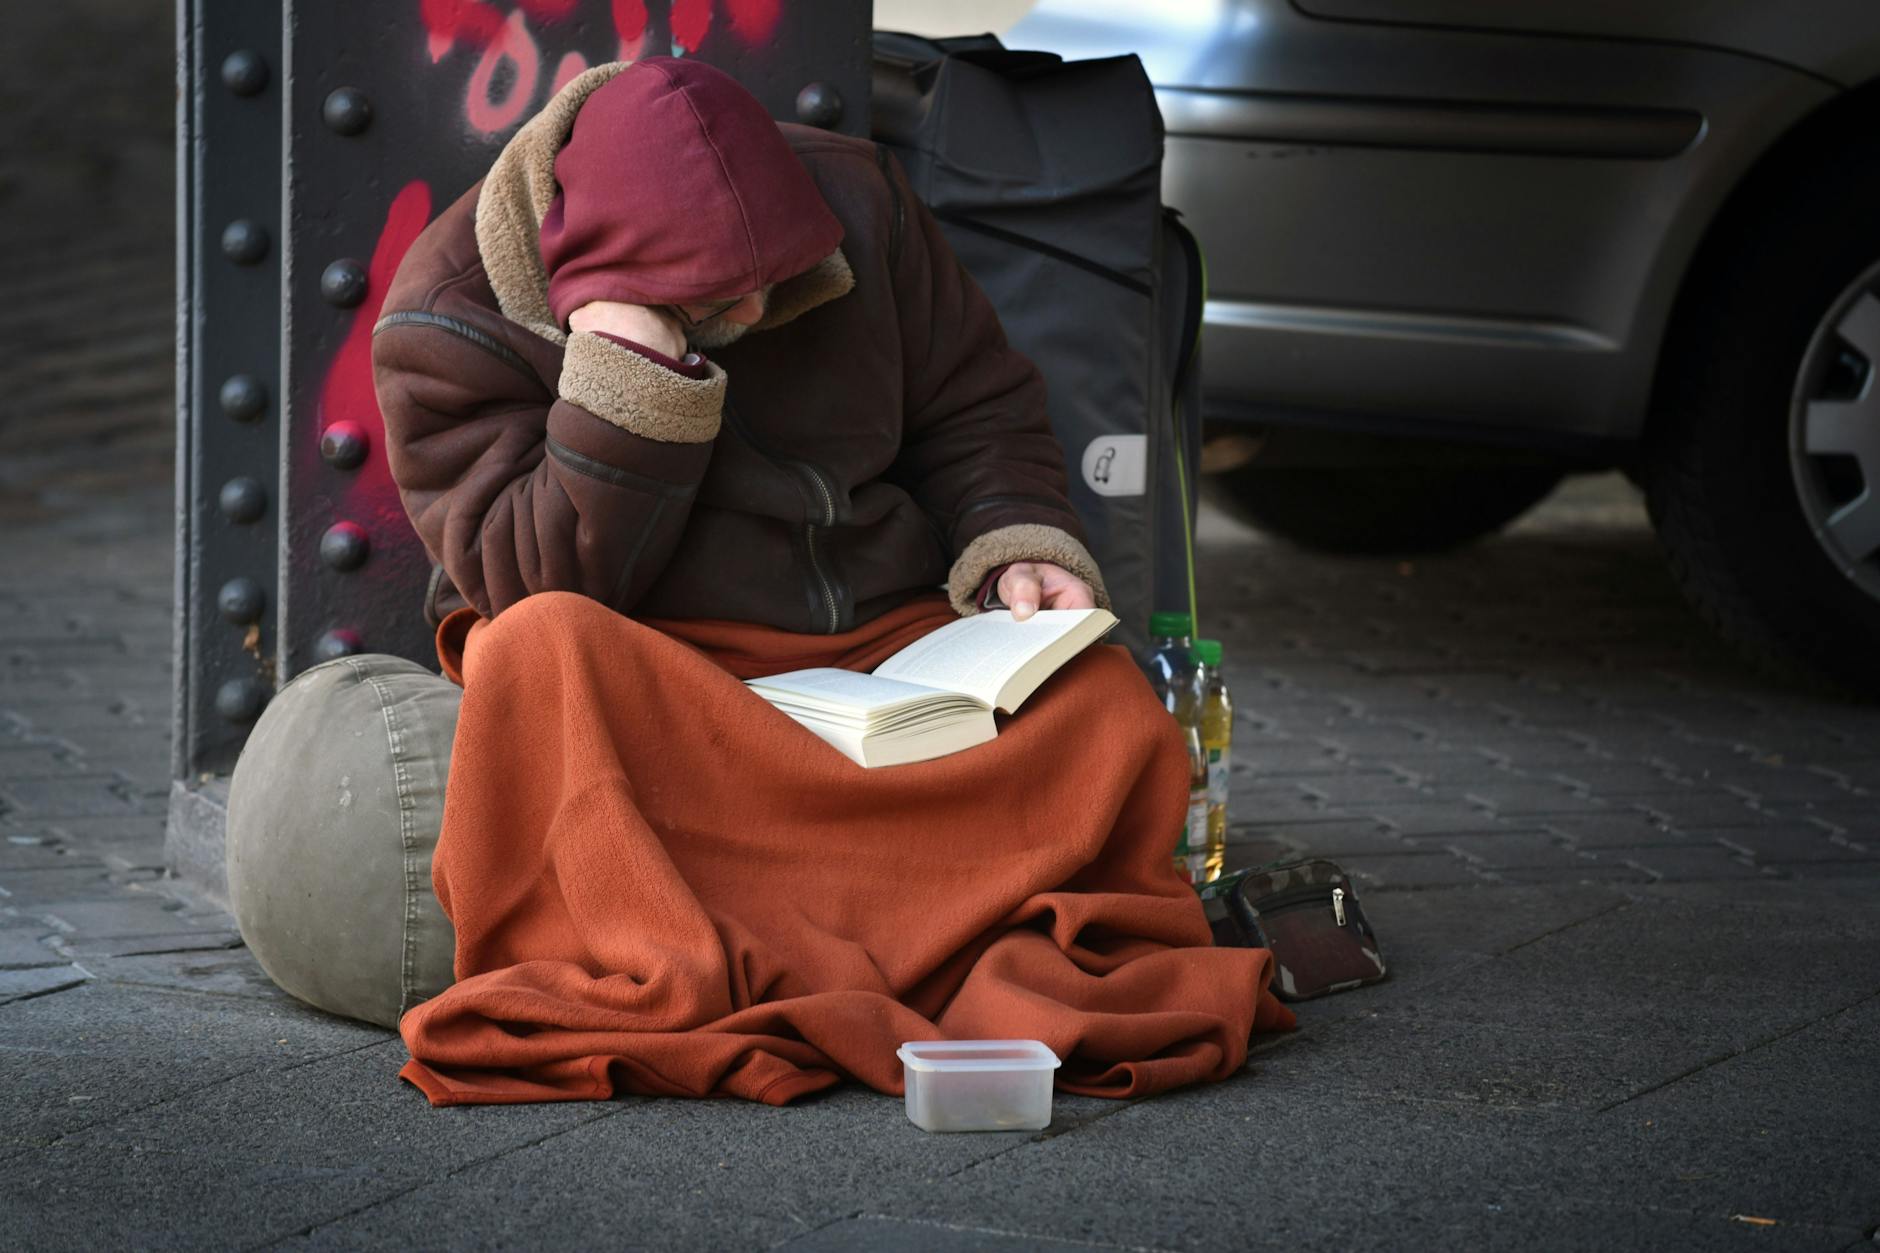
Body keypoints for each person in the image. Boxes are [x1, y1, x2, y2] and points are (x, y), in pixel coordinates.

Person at [226, 57, 1289, 1107]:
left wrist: (1018, 544)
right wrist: (627, 381)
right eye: (716, 300)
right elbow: (529, 577)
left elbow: (979, 408)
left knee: (1100, 706)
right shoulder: (444, 317)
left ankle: (839, 929)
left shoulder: (858, 201)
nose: (755, 302)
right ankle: (891, 935)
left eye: (772, 282)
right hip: (655, 656)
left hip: (879, 633)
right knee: (533, 651)